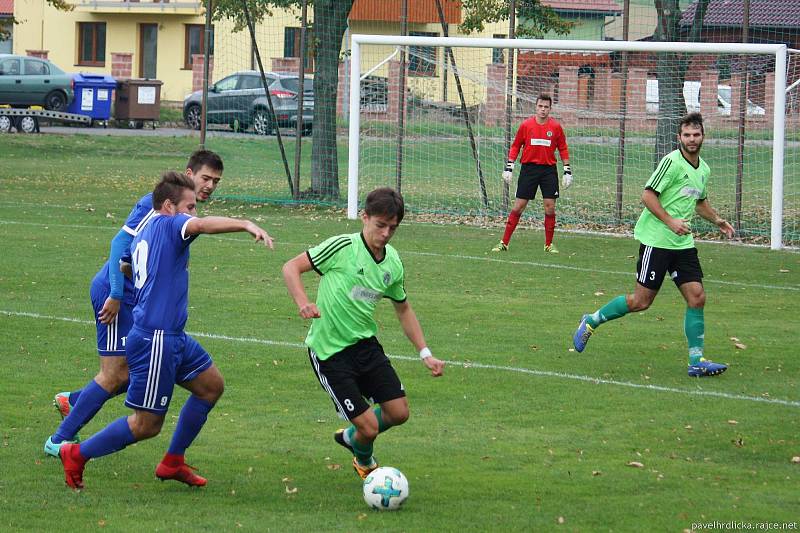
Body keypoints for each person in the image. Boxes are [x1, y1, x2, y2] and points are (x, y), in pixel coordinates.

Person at [58, 171, 273, 489]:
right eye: (189, 207)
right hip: (156, 338)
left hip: (171, 335)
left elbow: (126, 263)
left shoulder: (145, 231)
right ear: (170, 206)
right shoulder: (172, 224)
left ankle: (173, 462)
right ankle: (77, 454)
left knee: (211, 386)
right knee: (146, 426)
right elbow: (200, 226)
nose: (194, 213)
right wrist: (245, 224)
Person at [44, 150, 225, 458]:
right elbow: (119, 245)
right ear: (189, 173)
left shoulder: (183, 210)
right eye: (205, 178)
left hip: (139, 301)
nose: (209, 186)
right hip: (116, 294)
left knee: (135, 370)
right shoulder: (154, 204)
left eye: (216, 181)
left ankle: (75, 401)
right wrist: (115, 293)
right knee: (115, 373)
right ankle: (59, 440)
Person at [282, 187, 445, 479]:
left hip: (365, 347)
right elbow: (291, 267)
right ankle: (364, 459)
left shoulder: (392, 262)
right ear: (364, 217)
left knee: (399, 413)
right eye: (380, 225)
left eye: (392, 228)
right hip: (330, 352)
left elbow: (403, 309)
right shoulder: (342, 247)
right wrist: (303, 302)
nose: (385, 234)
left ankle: (351, 437)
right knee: (368, 427)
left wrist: (425, 353)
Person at [573, 112, 734, 378]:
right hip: (657, 242)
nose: (692, 140)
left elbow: (699, 201)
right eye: (687, 135)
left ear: (703, 136)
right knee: (641, 301)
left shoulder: (703, 169)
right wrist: (670, 221)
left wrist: (718, 220)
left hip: (682, 244)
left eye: (696, 135)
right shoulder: (671, 163)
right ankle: (591, 321)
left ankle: (696, 361)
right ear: (679, 137)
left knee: (697, 297)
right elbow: (647, 196)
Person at [493, 93, 572, 254]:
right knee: (518, 206)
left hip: (548, 171)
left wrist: (567, 170)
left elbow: (562, 148)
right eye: (540, 106)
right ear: (536, 107)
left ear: (550, 109)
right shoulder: (526, 125)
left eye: (546, 107)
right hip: (529, 170)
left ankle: (548, 244)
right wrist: (509, 166)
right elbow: (516, 146)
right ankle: (504, 243)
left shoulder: (555, 127)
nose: (543, 110)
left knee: (550, 208)